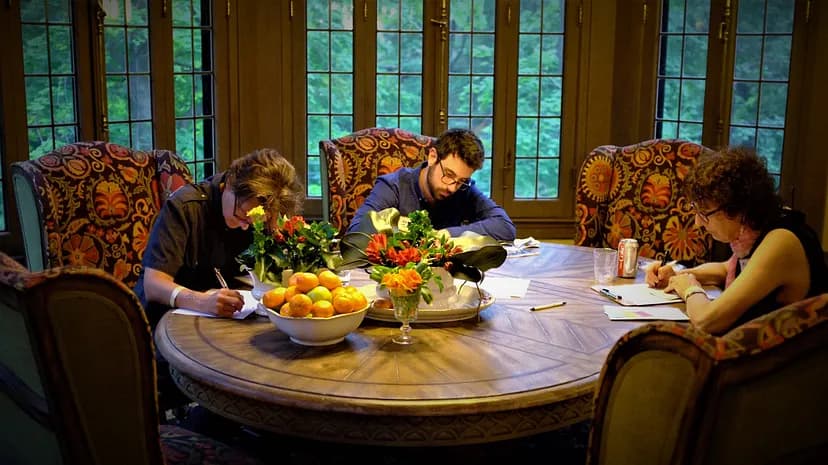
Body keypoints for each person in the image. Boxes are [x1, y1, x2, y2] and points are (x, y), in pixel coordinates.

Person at [645, 146, 828, 334]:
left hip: (784, 359)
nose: (698, 223)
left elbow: (706, 321)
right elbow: (728, 268)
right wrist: (677, 275)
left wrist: (690, 289)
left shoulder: (781, 241)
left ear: (736, 208)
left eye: (704, 213)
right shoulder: (753, 230)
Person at [135, 148, 305, 329]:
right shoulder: (186, 207)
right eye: (241, 215)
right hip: (163, 325)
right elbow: (153, 285)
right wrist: (201, 301)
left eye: (255, 220)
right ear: (230, 183)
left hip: (225, 320)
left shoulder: (258, 213)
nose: (245, 226)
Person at [346, 128, 517, 241]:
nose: (452, 187)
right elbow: (356, 233)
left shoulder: (464, 190)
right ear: (433, 157)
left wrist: (446, 235)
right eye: (448, 175)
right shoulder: (393, 186)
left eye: (461, 181)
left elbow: (505, 227)